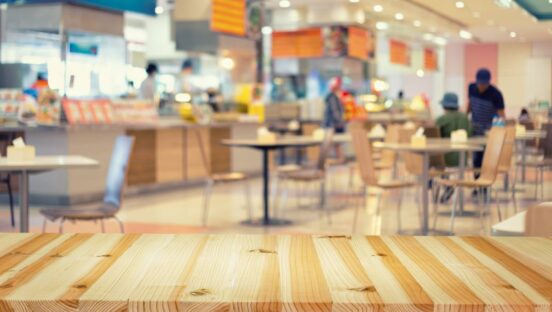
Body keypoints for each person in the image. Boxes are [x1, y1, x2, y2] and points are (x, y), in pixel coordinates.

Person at [467, 68, 505, 171]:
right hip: (475, 129)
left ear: (489, 82)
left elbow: (501, 115)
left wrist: (498, 132)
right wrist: (466, 119)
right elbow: (469, 105)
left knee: (487, 158)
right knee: (476, 158)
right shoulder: (471, 88)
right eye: (480, 84)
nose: (482, 86)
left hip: (488, 131)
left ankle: (484, 185)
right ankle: (477, 183)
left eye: (484, 84)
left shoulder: (496, 94)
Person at [436, 92, 472, 167]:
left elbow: (435, 136)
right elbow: (470, 134)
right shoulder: (465, 118)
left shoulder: (441, 119)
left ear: (444, 106)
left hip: (445, 159)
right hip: (463, 159)